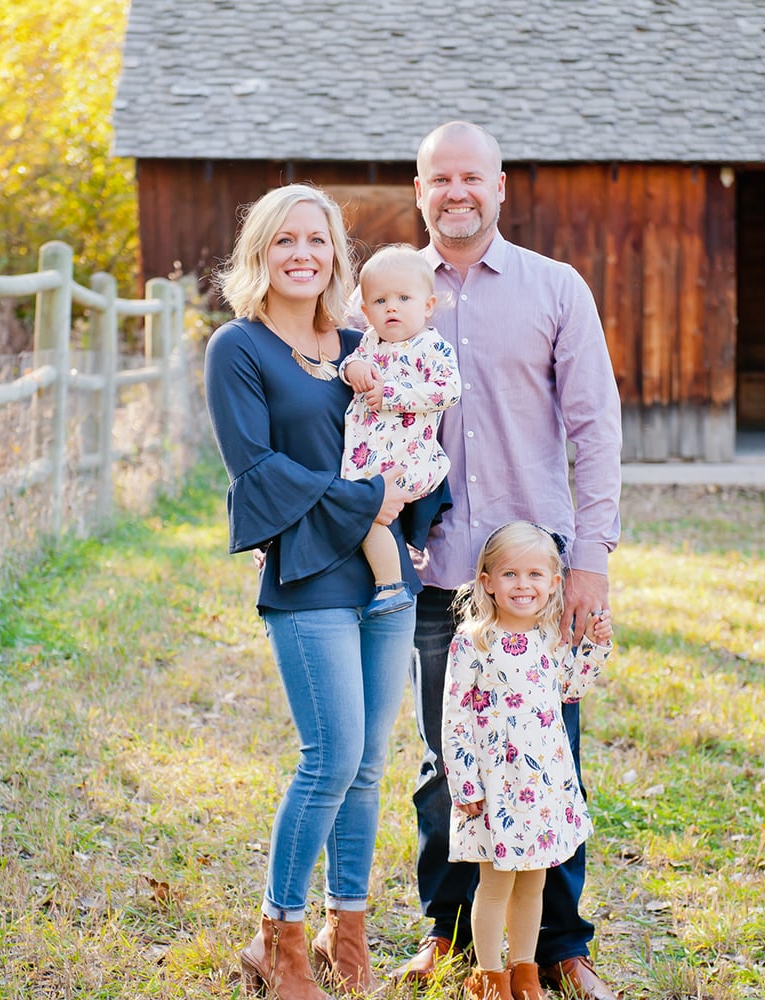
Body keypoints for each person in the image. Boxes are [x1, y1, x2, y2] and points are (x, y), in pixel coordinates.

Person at [387, 121, 623, 1000]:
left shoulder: (555, 289)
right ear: (420, 190)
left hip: (535, 576)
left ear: (499, 187)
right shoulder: (391, 293)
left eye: (472, 177)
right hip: (433, 568)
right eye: (439, 178)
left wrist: (590, 559)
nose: (456, 192)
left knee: (550, 753)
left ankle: (560, 946)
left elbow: (597, 428)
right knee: (447, 763)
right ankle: (450, 937)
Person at [203, 183, 418, 1000]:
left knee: (367, 767)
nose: (302, 253)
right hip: (308, 575)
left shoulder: (365, 340)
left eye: (317, 240)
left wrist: (414, 508)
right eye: (284, 240)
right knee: (328, 759)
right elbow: (257, 471)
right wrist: (366, 498)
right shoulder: (240, 348)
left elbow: (412, 429)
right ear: (259, 252)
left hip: (387, 574)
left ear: (337, 253)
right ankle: (279, 943)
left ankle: (347, 933)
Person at [443, 521, 613, 1000]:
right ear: (487, 582)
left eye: (535, 575)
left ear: (554, 584)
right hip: (496, 787)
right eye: (511, 574)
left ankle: (525, 972)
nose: (523, 585)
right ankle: (490, 977)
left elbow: (571, 689)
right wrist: (466, 784)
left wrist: (595, 646)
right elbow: (454, 718)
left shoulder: (549, 641)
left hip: (542, 788)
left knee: (533, 885)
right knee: (495, 886)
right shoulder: (474, 641)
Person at [340, 244, 461, 619]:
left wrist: (390, 393)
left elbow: (449, 389)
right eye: (380, 300)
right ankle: (392, 567)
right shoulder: (370, 343)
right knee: (362, 514)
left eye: (403, 298)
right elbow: (352, 363)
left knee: (371, 514)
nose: (391, 307)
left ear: (427, 306)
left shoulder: (432, 346)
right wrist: (352, 370)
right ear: (365, 312)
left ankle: (391, 585)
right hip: (369, 453)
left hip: (408, 456)